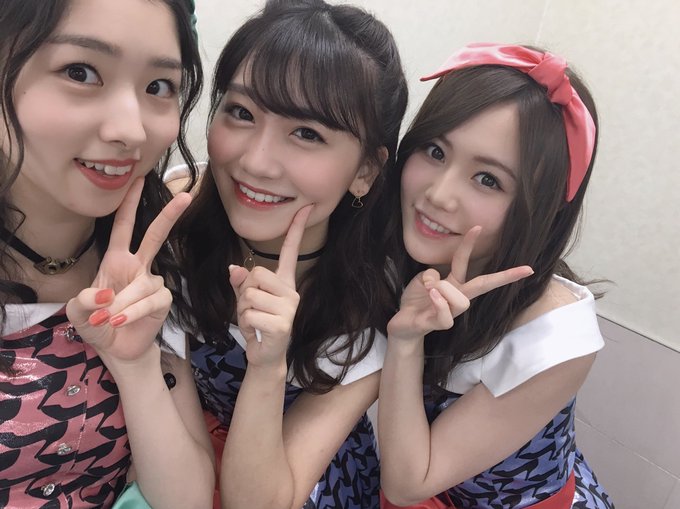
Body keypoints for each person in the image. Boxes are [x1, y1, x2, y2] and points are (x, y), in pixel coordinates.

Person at [175, 0, 408, 507]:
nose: (256, 162)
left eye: (307, 133)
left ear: (365, 171)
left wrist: (267, 367)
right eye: (241, 112)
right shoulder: (175, 223)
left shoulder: (369, 305)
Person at [378, 43, 614, 508]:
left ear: (540, 209)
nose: (438, 194)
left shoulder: (558, 334)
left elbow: (408, 483)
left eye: (488, 179)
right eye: (435, 150)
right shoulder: (402, 253)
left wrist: (406, 342)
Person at [0, 1, 213, 508]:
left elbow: (186, 500)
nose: (131, 131)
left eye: (158, 86)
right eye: (80, 72)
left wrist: (135, 364)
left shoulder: (149, 264)